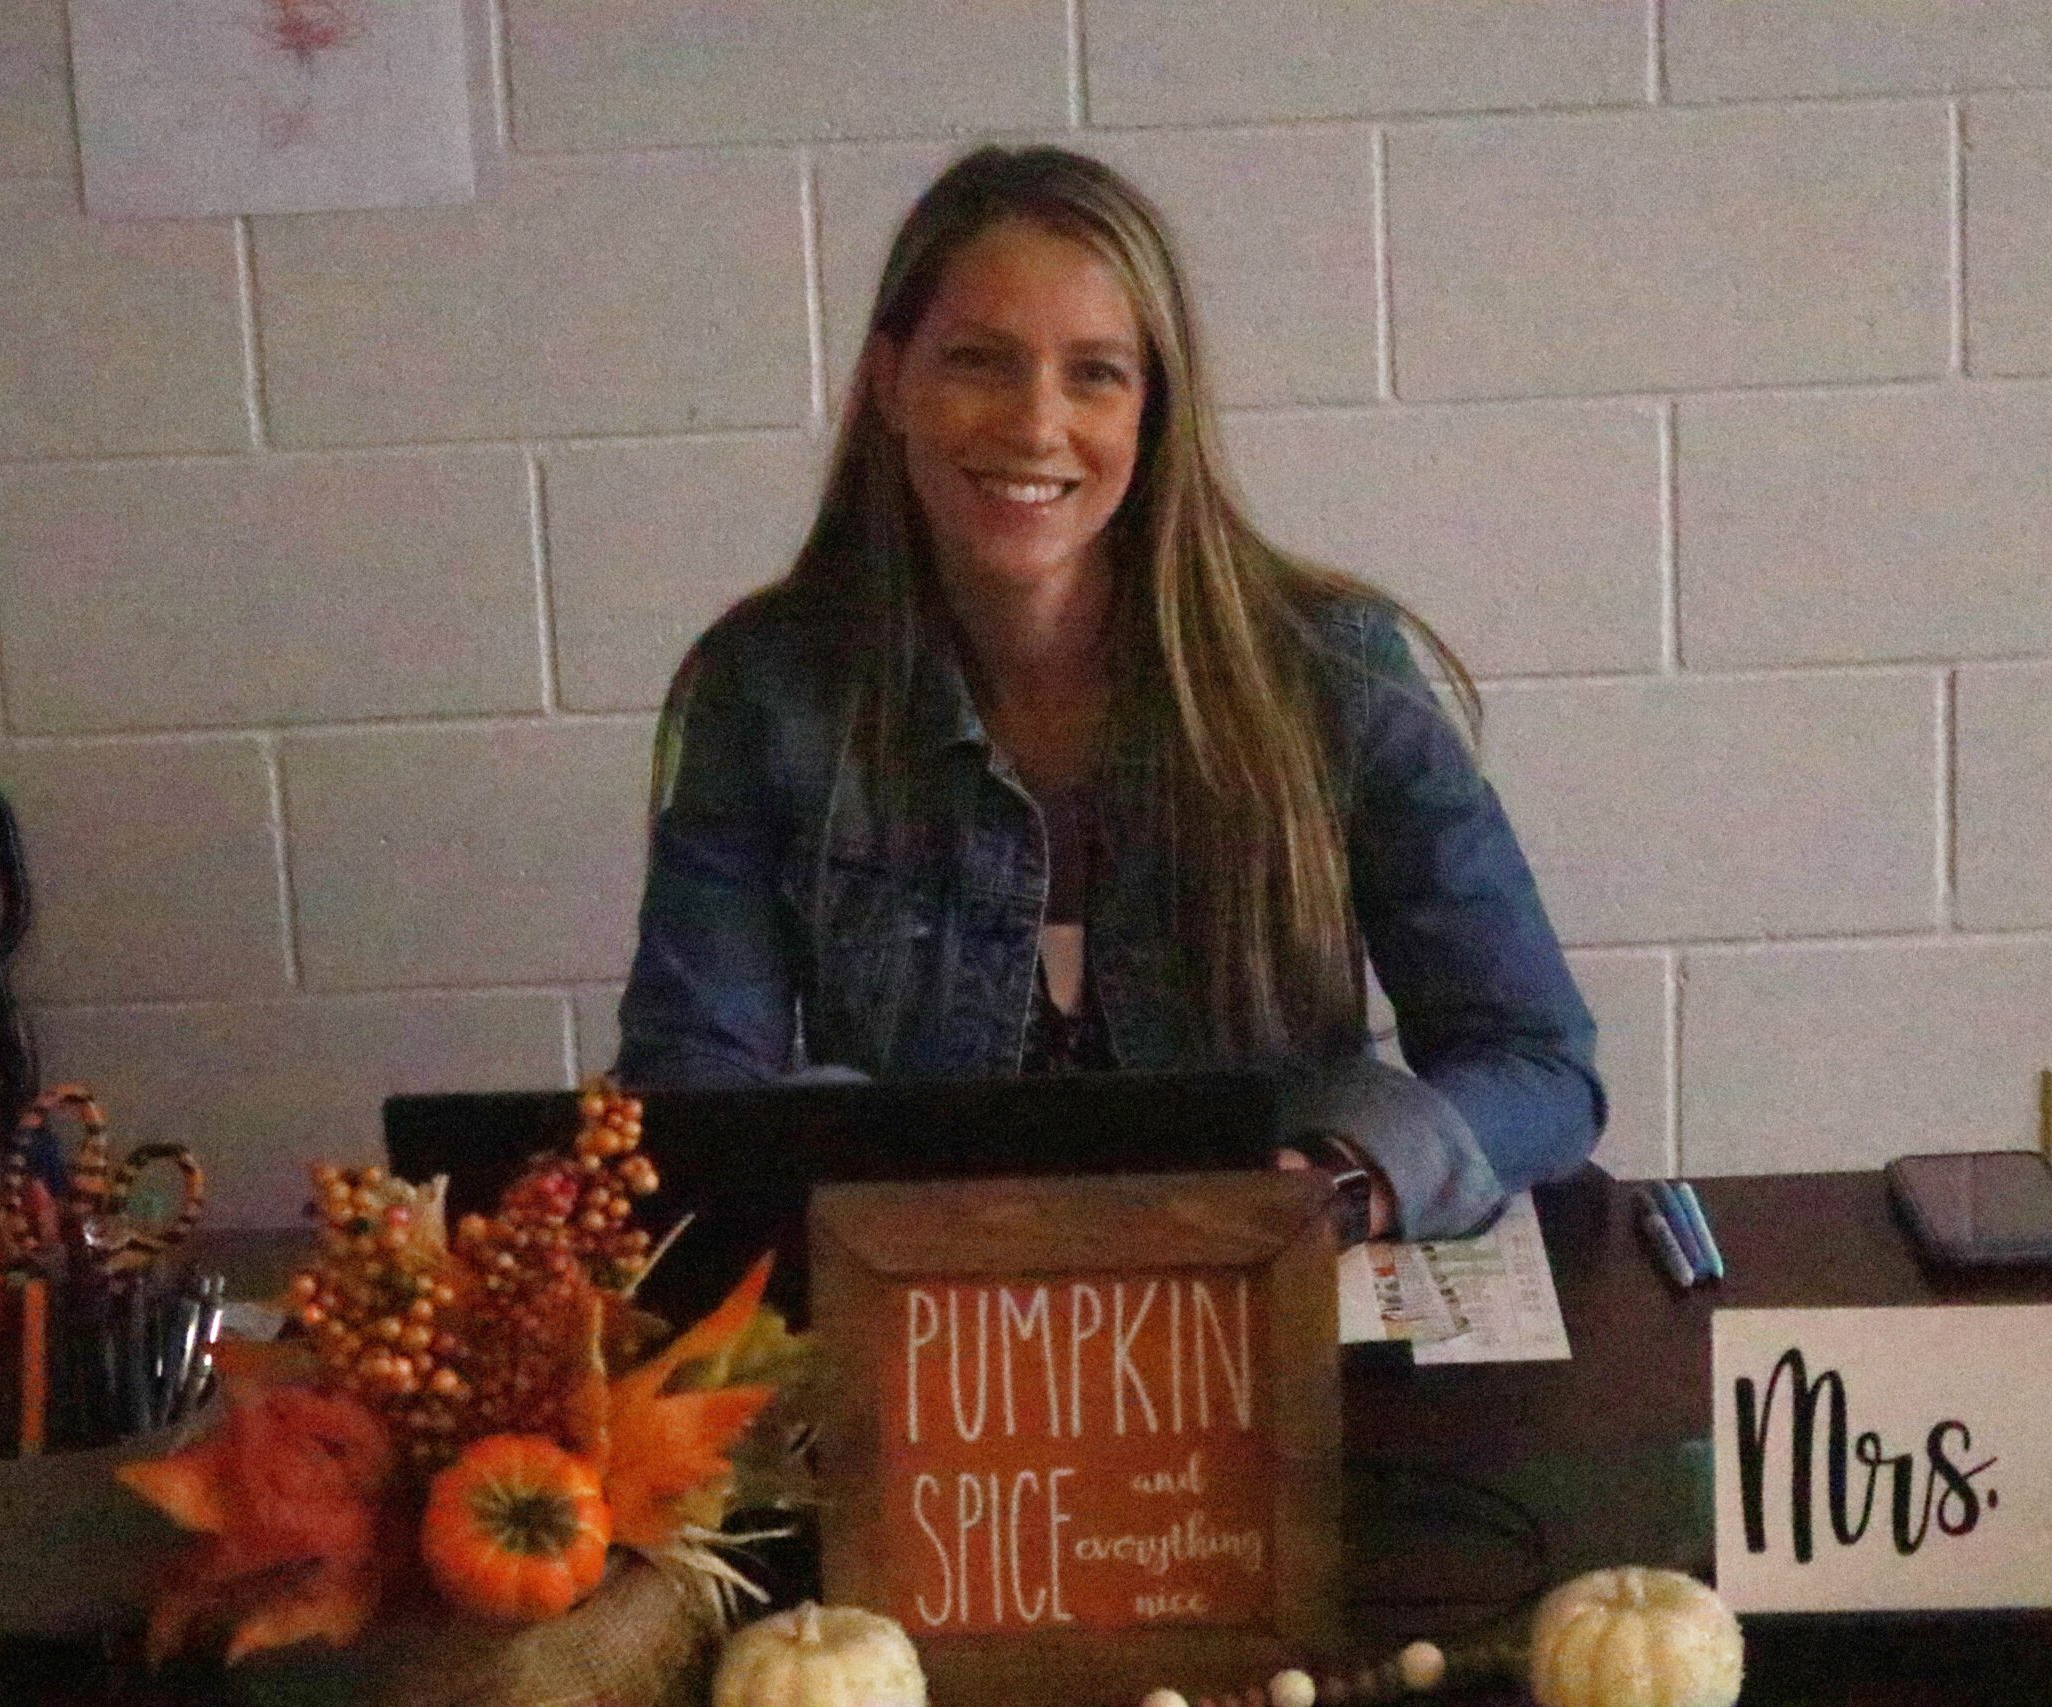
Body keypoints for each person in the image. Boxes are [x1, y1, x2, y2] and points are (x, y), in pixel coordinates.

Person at [615, 145, 1602, 1241]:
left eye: (1094, 373)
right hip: (929, 1306)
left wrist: (1340, 1179)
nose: (1035, 425)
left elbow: (1537, 1065)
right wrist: (850, 1154)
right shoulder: (764, 690)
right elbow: (691, 1091)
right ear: (891, 382)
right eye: (978, 361)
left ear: (1152, 409)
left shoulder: (1332, 669)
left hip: (1258, 1293)